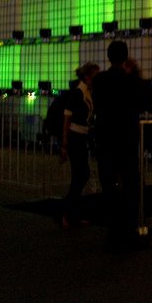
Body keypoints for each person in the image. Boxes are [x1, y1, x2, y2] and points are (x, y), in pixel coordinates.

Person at [90, 40, 152, 252]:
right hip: (126, 138)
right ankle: (130, 225)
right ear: (125, 57)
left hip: (105, 137)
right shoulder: (132, 82)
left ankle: (113, 227)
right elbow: (151, 102)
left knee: (108, 182)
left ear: (108, 57)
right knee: (131, 182)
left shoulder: (98, 80)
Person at [61, 61, 99, 229]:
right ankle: (69, 213)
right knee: (81, 175)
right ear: (87, 76)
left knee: (80, 175)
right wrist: (64, 142)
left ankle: (71, 213)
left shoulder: (85, 92)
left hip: (80, 136)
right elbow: (67, 118)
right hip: (76, 137)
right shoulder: (79, 93)